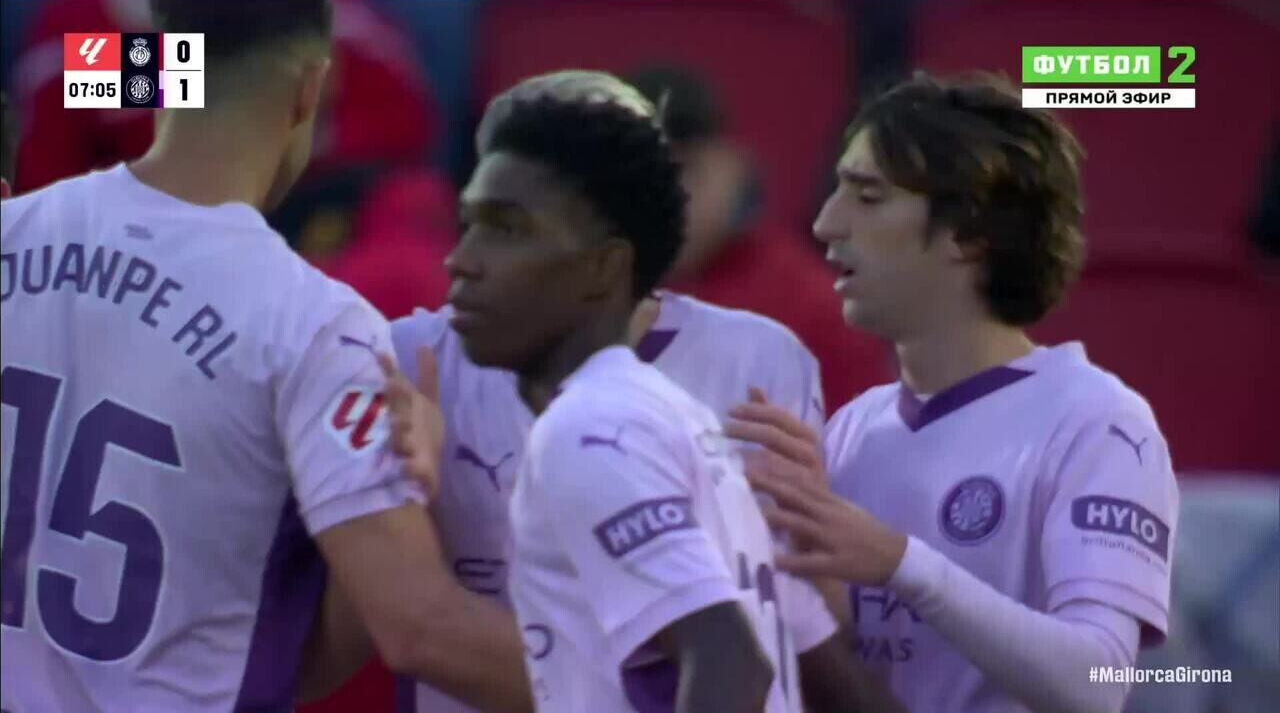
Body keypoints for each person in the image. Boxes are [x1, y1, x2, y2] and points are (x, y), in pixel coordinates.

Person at [0, 0, 529, 712]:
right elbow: (415, 630)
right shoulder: (319, 325)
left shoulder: (16, 215)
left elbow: (92, 75)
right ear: (312, 91)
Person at [391, 70, 901, 713]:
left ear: (605, 259)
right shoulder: (416, 360)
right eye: (470, 222)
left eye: (508, 228)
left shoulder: (609, 417)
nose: (460, 259)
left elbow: (745, 650)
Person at [727, 72, 1180, 713]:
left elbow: (1097, 683)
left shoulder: (1099, 422)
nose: (826, 224)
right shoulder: (850, 430)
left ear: (968, 233)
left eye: (869, 197)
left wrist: (901, 564)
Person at [625, 64, 893, 408]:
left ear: (734, 166)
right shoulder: (581, 299)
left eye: (689, 170)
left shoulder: (812, 305)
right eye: (645, 176)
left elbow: (869, 432)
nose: (669, 195)